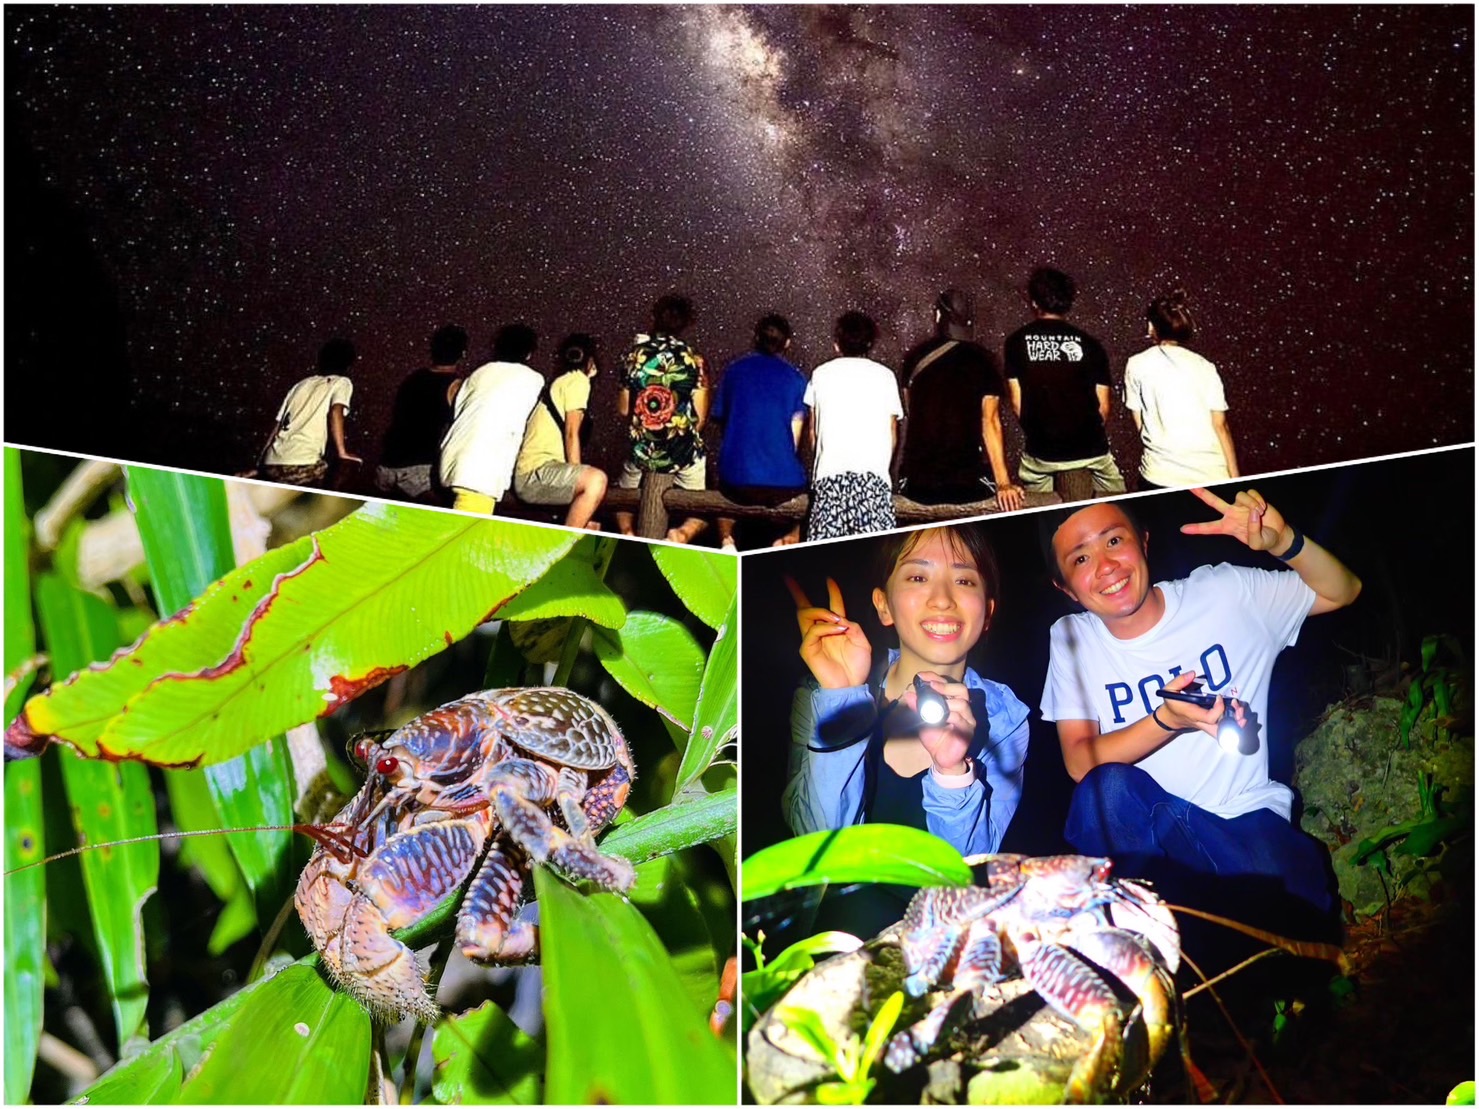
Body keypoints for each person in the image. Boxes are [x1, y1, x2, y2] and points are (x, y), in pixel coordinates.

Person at [1040, 489, 1361, 943]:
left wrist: (1284, 541)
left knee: (1293, 915)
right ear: (1065, 587)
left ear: (1143, 541)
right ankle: (1145, 944)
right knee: (1104, 792)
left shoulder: (1222, 594)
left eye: (1114, 541)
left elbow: (1344, 590)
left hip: (1244, 824)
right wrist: (1169, 719)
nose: (1106, 566)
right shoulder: (1075, 638)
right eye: (1080, 559)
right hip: (1153, 848)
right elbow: (1079, 761)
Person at [783, 524, 1031, 857]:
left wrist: (952, 771)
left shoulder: (1006, 719)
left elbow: (971, 866)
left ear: (986, 613)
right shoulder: (821, 697)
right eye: (918, 578)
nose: (943, 600)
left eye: (964, 580)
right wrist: (842, 696)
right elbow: (816, 848)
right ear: (883, 605)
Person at [1003, 268, 1126, 496]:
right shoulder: (1091, 344)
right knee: (1121, 501)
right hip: (1092, 450)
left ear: (1034, 301)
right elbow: (1104, 407)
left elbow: (1017, 402)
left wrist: (1042, 433)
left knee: (1036, 502)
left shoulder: (1015, 342)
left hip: (1042, 453)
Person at [899, 288, 1024, 512]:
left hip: (915, 485)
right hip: (967, 486)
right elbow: (991, 422)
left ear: (938, 316)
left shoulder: (914, 358)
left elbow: (910, 408)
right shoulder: (985, 361)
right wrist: (1004, 482)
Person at [614, 294, 710, 544]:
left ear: (654, 317)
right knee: (705, 509)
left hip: (642, 450)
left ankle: (627, 533)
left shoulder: (634, 355)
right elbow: (699, 417)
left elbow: (624, 410)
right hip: (682, 450)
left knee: (620, 497)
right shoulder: (693, 360)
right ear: (686, 323)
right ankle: (681, 534)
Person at [709, 313, 808, 551]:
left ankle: (727, 540)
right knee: (808, 499)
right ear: (787, 343)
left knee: (720, 489)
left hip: (736, 477)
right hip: (783, 483)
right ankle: (788, 539)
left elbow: (722, 419)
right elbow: (794, 441)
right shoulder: (797, 379)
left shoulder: (734, 371)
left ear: (755, 338)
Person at [1124, 289, 1240, 489]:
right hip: (1210, 474)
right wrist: (1236, 478)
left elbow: (1140, 423)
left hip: (1159, 474)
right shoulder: (1205, 366)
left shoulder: (1136, 364)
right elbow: (1220, 426)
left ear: (1152, 326)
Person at [804, 311, 903, 540]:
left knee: (825, 563)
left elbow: (813, 431)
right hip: (873, 482)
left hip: (830, 479)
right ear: (870, 343)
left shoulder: (820, 374)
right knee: (876, 566)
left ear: (837, 344)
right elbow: (892, 433)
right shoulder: (886, 376)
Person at [438, 323, 543, 515]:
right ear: (529, 353)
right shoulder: (532, 379)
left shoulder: (479, 373)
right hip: (482, 468)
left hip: (452, 457)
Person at [512, 333, 608, 530]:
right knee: (595, 481)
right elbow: (572, 434)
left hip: (534, 473)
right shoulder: (578, 381)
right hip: (535, 474)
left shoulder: (563, 381)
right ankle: (566, 548)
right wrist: (578, 476)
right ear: (590, 360)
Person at [374, 324, 466, 502]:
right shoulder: (455, 386)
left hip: (387, 465)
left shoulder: (412, 378)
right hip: (418, 471)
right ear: (463, 354)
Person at [254, 337, 362, 486]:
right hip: (301, 462)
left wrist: (259, 466)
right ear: (348, 363)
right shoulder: (342, 382)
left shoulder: (300, 385)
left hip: (270, 462)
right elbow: (336, 411)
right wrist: (342, 452)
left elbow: (276, 427)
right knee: (347, 473)